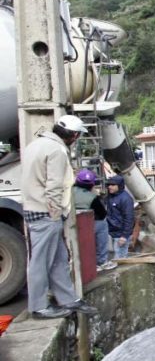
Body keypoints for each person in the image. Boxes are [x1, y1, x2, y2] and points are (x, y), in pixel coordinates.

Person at [21, 115, 99, 319]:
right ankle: (38, 307)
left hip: (33, 207)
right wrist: (55, 214)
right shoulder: (57, 151)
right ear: (73, 135)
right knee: (41, 261)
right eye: (77, 136)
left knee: (58, 259)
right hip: (46, 212)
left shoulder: (35, 145)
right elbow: (54, 186)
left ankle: (68, 299)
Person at [74, 169, 117, 272]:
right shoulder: (92, 197)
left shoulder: (68, 191)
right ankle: (101, 261)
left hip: (70, 224)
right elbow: (102, 214)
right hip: (86, 226)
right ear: (92, 184)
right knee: (102, 225)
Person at [106, 175, 134, 259]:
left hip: (120, 234)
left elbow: (129, 218)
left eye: (113, 185)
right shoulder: (110, 197)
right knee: (111, 258)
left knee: (120, 259)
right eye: (109, 184)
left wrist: (124, 236)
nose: (110, 187)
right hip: (110, 232)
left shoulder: (126, 199)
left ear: (119, 186)